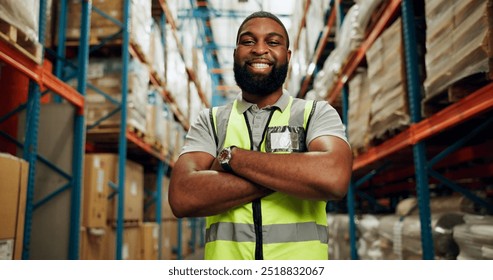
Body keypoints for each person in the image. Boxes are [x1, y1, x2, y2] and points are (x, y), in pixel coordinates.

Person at [169, 11, 353, 260]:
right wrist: (295, 172)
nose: (260, 49)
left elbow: (333, 177)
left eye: (273, 42)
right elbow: (182, 196)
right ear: (235, 54)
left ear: (287, 56)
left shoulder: (314, 113)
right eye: (248, 41)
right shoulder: (210, 121)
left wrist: (231, 158)